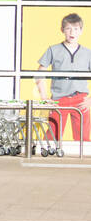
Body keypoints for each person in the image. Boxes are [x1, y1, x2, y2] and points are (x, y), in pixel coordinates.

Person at [35, 13, 91, 144]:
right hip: (59, 99)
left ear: (81, 31)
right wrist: (44, 97)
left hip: (80, 99)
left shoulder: (88, 53)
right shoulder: (53, 50)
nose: (72, 32)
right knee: (52, 137)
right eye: (68, 28)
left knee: (84, 139)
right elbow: (39, 73)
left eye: (76, 29)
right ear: (62, 30)